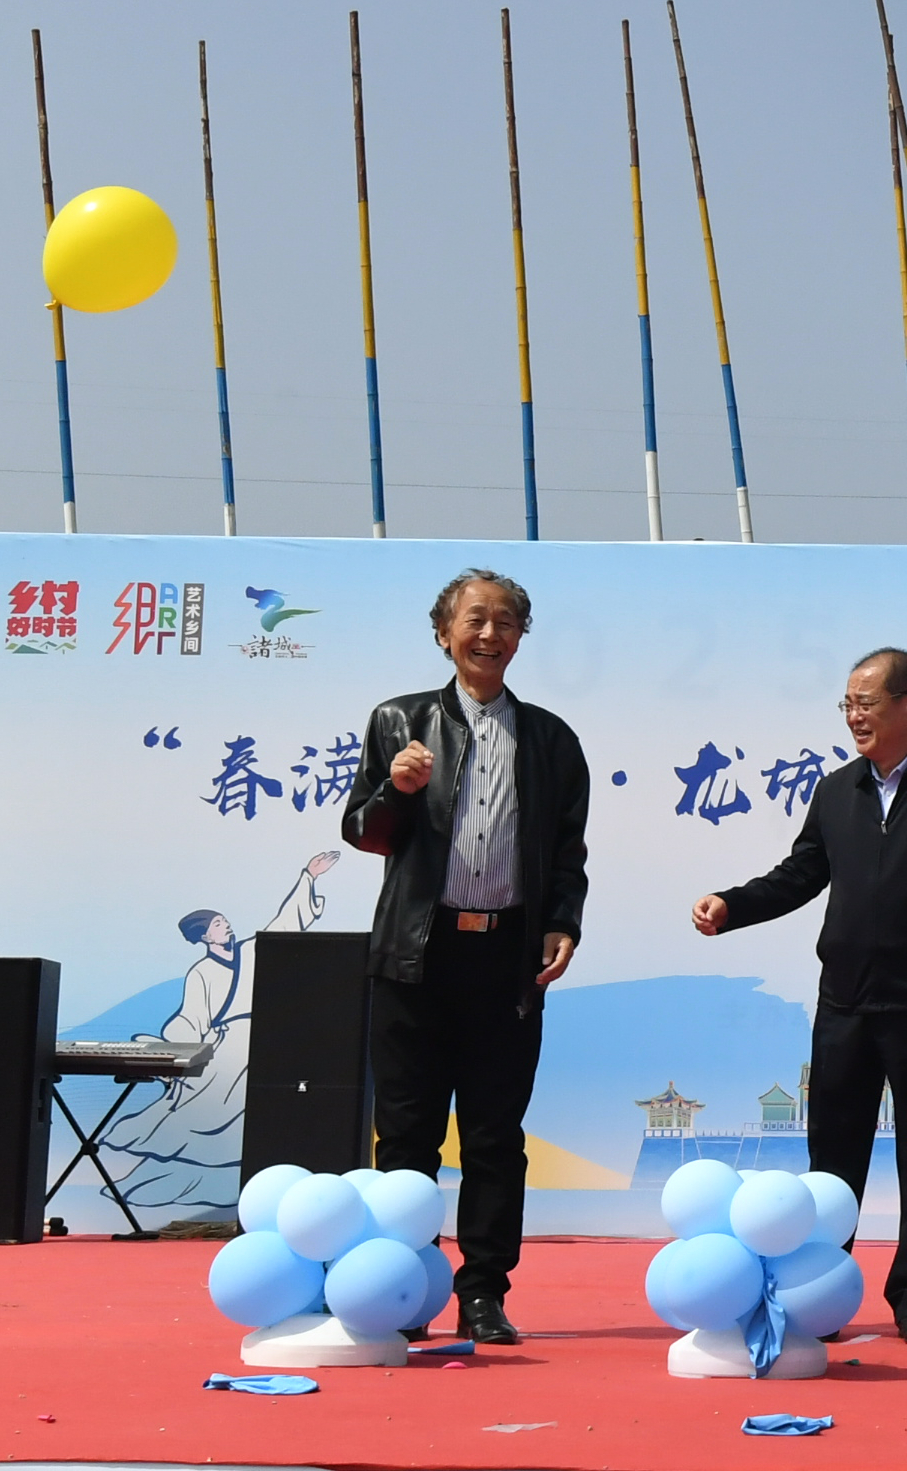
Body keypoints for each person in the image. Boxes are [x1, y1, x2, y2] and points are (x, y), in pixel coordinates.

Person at [694, 649, 907, 1347]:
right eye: (848, 704)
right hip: (845, 1002)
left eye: (866, 702)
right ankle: (822, 1294)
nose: (854, 716)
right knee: (832, 1160)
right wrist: (732, 904)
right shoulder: (837, 790)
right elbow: (799, 874)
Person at [340, 570, 591, 1345]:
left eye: (505, 621)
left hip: (506, 961)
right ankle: (405, 1286)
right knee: (406, 1136)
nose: (490, 634)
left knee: (494, 1136)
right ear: (444, 632)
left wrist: (563, 921)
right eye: (475, 619)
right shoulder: (400, 720)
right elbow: (363, 831)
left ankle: (483, 1290)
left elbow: (567, 851)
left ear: (521, 637)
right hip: (416, 957)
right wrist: (397, 788)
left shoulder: (550, 739)